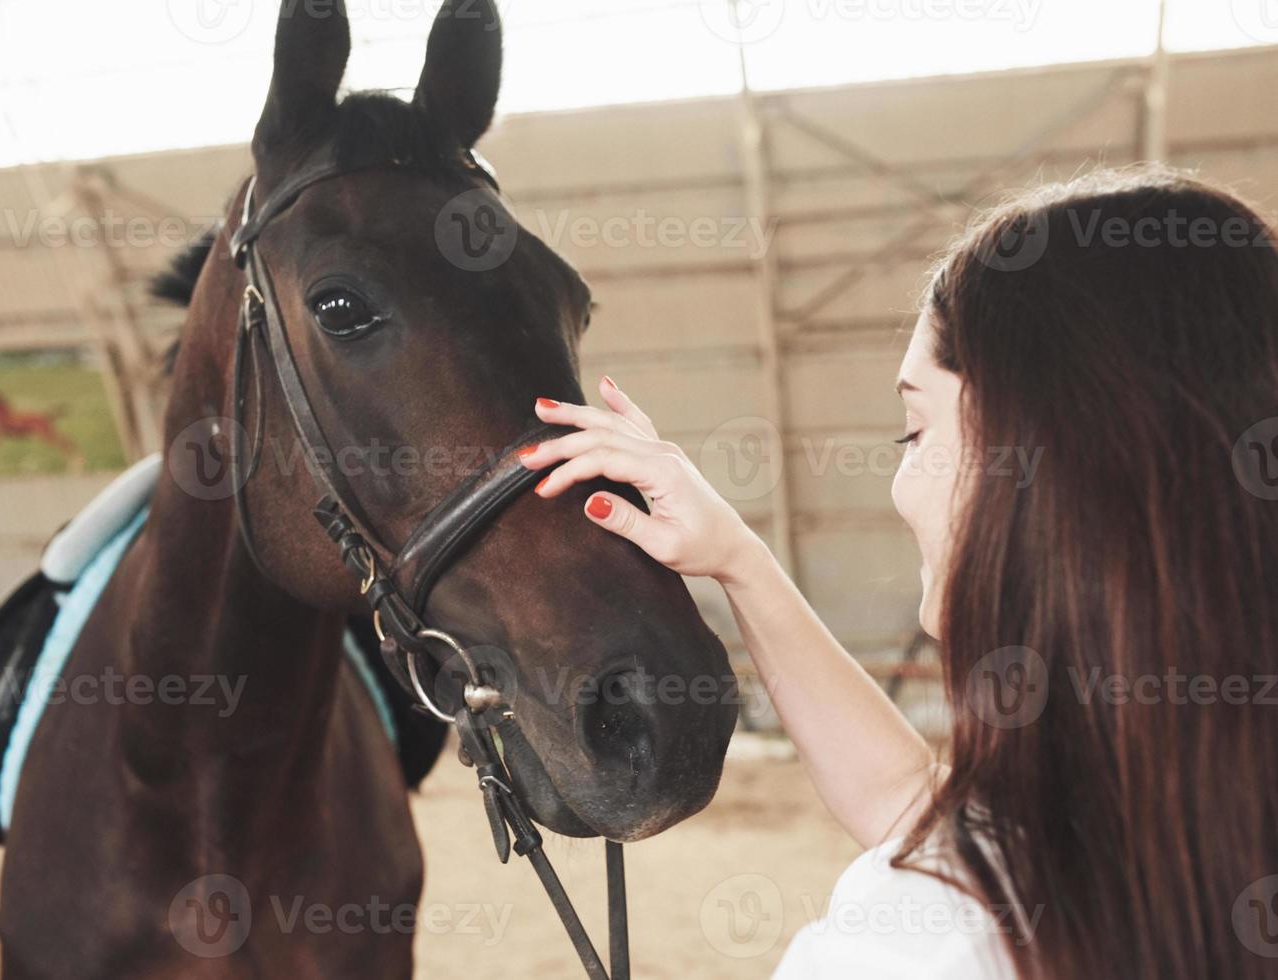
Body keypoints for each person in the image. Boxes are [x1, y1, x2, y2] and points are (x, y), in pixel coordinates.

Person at [520, 165, 1278, 979]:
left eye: (912, 432)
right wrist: (737, 559)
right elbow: (914, 798)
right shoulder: (1187, 814)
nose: (897, 483)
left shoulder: (922, 946)